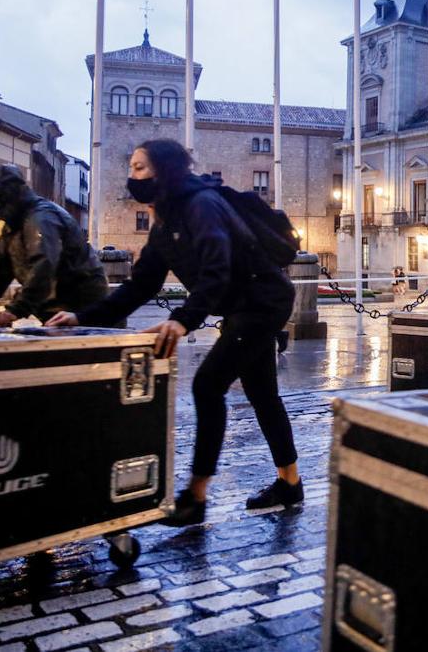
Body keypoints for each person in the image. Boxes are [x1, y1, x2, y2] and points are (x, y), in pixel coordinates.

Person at [46, 139, 302, 525]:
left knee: (207, 385)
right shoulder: (165, 224)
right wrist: (80, 317)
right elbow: (140, 286)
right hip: (242, 305)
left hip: (263, 302)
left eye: (139, 168)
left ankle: (196, 497)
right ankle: (290, 483)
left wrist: (183, 319)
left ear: (163, 170)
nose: (131, 177)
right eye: (131, 168)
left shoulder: (201, 206)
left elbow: (219, 267)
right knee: (262, 393)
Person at [0, 164, 109, 327]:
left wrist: (15, 310)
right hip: (57, 314)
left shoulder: (41, 219)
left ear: (7, 194)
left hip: (85, 314)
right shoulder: (14, 224)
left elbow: (44, 265)